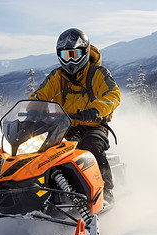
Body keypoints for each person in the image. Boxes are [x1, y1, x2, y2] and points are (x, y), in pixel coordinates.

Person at [29, 28, 121, 204]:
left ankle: (105, 193)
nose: (69, 60)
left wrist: (95, 110)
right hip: (64, 125)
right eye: (65, 55)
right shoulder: (58, 76)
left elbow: (113, 95)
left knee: (90, 146)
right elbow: (39, 95)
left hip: (94, 125)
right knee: (40, 150)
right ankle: (39, 191)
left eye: (74, 54)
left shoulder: (97, 73)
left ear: (84, 52)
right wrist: (31, 109)